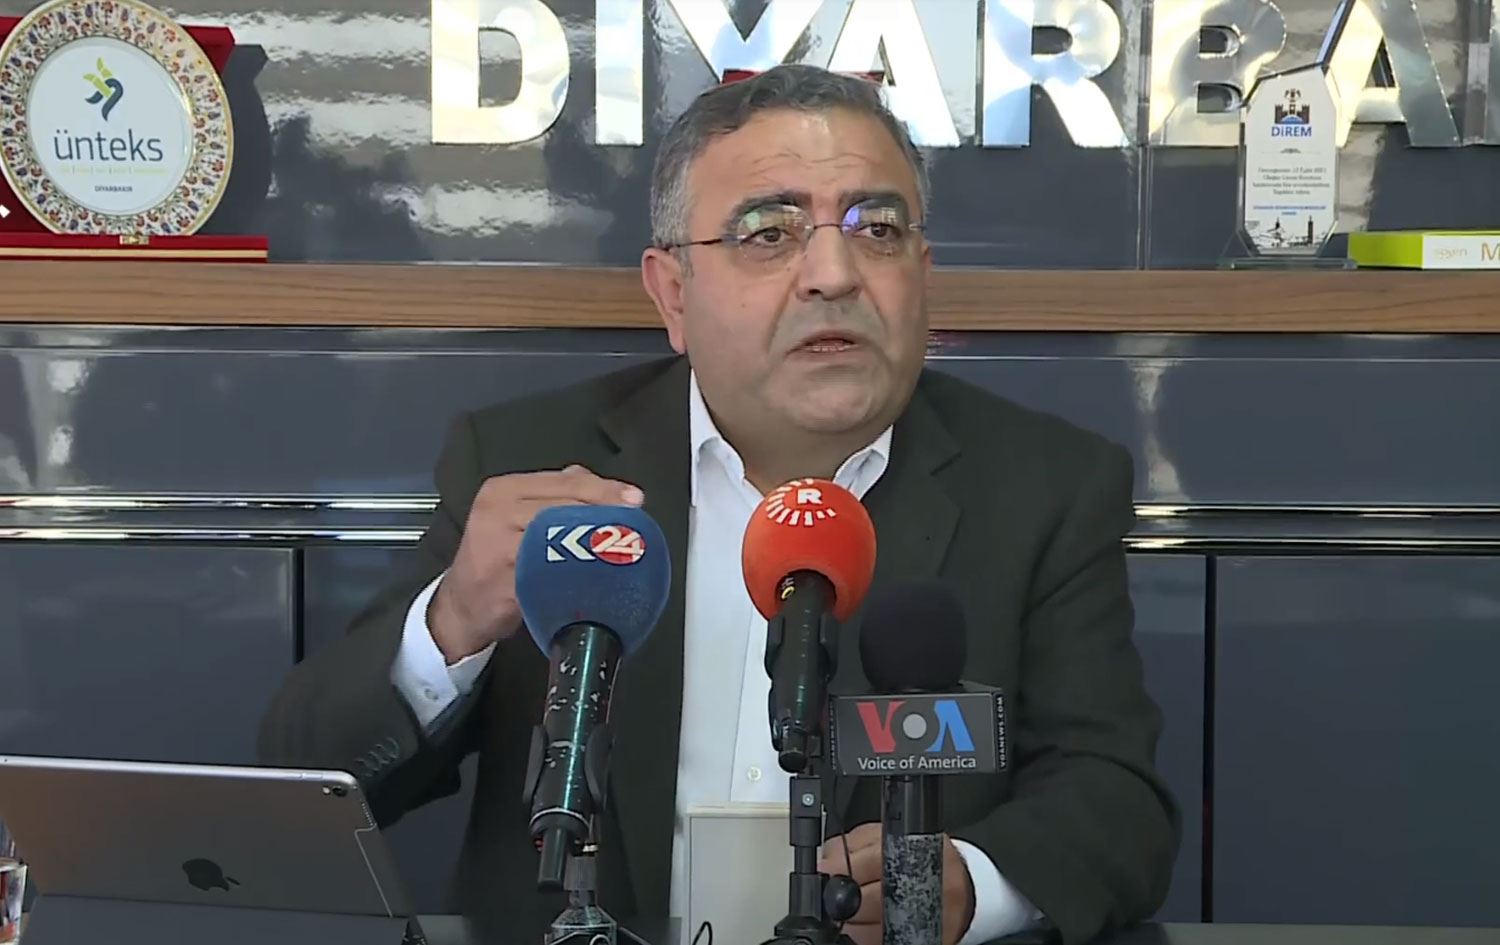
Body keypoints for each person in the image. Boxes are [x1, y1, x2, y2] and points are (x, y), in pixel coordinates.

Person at [258, 63, 1178, 945]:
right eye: (769, 232)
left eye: (877, 228)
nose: (834, 273)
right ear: (673, 292)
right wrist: (454, 621)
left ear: (921, 273)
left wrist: (970, 883)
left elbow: (1117, 802)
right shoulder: (529, 463)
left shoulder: (1043, 486)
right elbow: (301, 784)